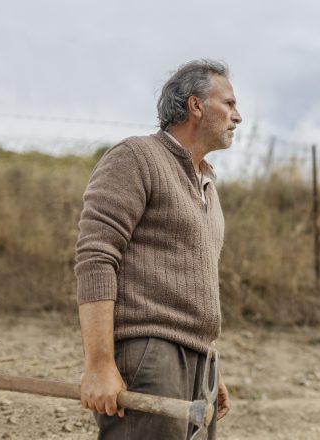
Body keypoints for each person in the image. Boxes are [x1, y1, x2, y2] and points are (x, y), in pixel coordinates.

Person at [75, 59, 242, 439]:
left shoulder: (208, 183)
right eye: (229, 104)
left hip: (199, 363)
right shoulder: (136, 158)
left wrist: (210, 360)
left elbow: (192, 280)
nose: (238, 116)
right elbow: (96, 257)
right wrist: (99, 364)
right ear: (196, 106)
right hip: (150, 353)